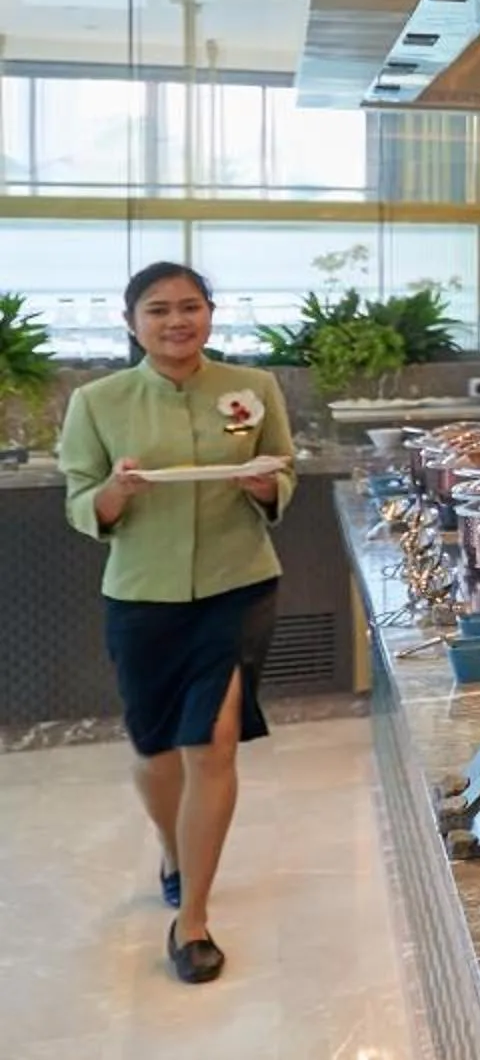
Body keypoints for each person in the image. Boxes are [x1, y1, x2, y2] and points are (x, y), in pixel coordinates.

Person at [57, 263, 299, 984]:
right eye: (158, 310)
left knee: (212, 742)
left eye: (189, 307)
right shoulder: (98, 402)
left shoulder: (253, 389)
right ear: (131, 321)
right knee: (156, 749)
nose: (176, 321)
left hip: (237, 584)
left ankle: (191, 918)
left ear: (211, 314)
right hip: (142, 593)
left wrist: (266, 483)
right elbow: (78, 501)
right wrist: (116, 492)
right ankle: (171, 846)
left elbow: (284, 473)